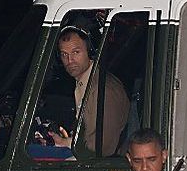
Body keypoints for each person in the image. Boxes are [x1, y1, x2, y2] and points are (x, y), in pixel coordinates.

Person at [45, 20, 129, 157]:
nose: (70, 60)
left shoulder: (102, 89)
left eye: (76, 52)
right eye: (64, 54)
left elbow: (103, 148)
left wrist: (69, 145)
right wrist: (64, 142)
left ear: (89, 52)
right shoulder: (86, 82)